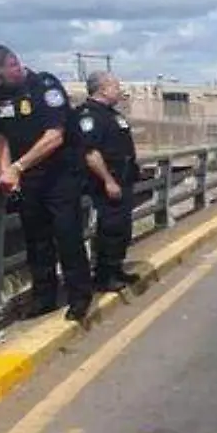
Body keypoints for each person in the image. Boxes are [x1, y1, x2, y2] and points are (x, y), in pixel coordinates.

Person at [0, 43, 93, 323]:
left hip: (59, 176)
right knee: (36, 240)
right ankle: (44, 298)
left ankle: (79, 296)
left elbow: (55, 136)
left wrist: (18, 167)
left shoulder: (44, 86)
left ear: (13, 64)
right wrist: (6, 170)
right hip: (28, 180)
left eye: (1, 75)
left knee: (67, 235)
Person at [76, 70, 139, 293]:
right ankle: (104, 275)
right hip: (107, 182)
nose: (119, 90)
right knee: (110, 228)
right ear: (102, 89)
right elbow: (91, 153)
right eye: (115, 86)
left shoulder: (111, 113)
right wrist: (108, 181)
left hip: (123, 179)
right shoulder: (89, 115)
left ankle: (116, 268)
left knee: (121, 228)